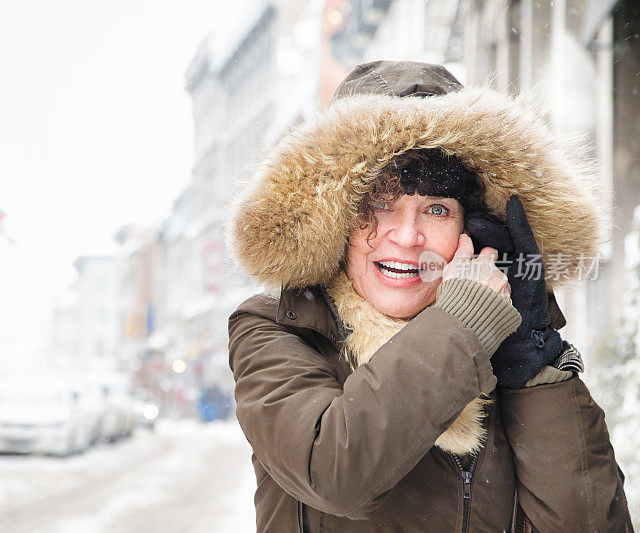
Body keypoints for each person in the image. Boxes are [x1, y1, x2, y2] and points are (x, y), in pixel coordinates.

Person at [227, 61, 632, 532]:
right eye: (379, 204)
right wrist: (463, 327)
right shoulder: (279, 327)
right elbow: (336, 473)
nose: (407, 236)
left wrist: (531, 362)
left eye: (437, 208)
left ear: (475, 229)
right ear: (333, 221)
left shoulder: (507, 339)